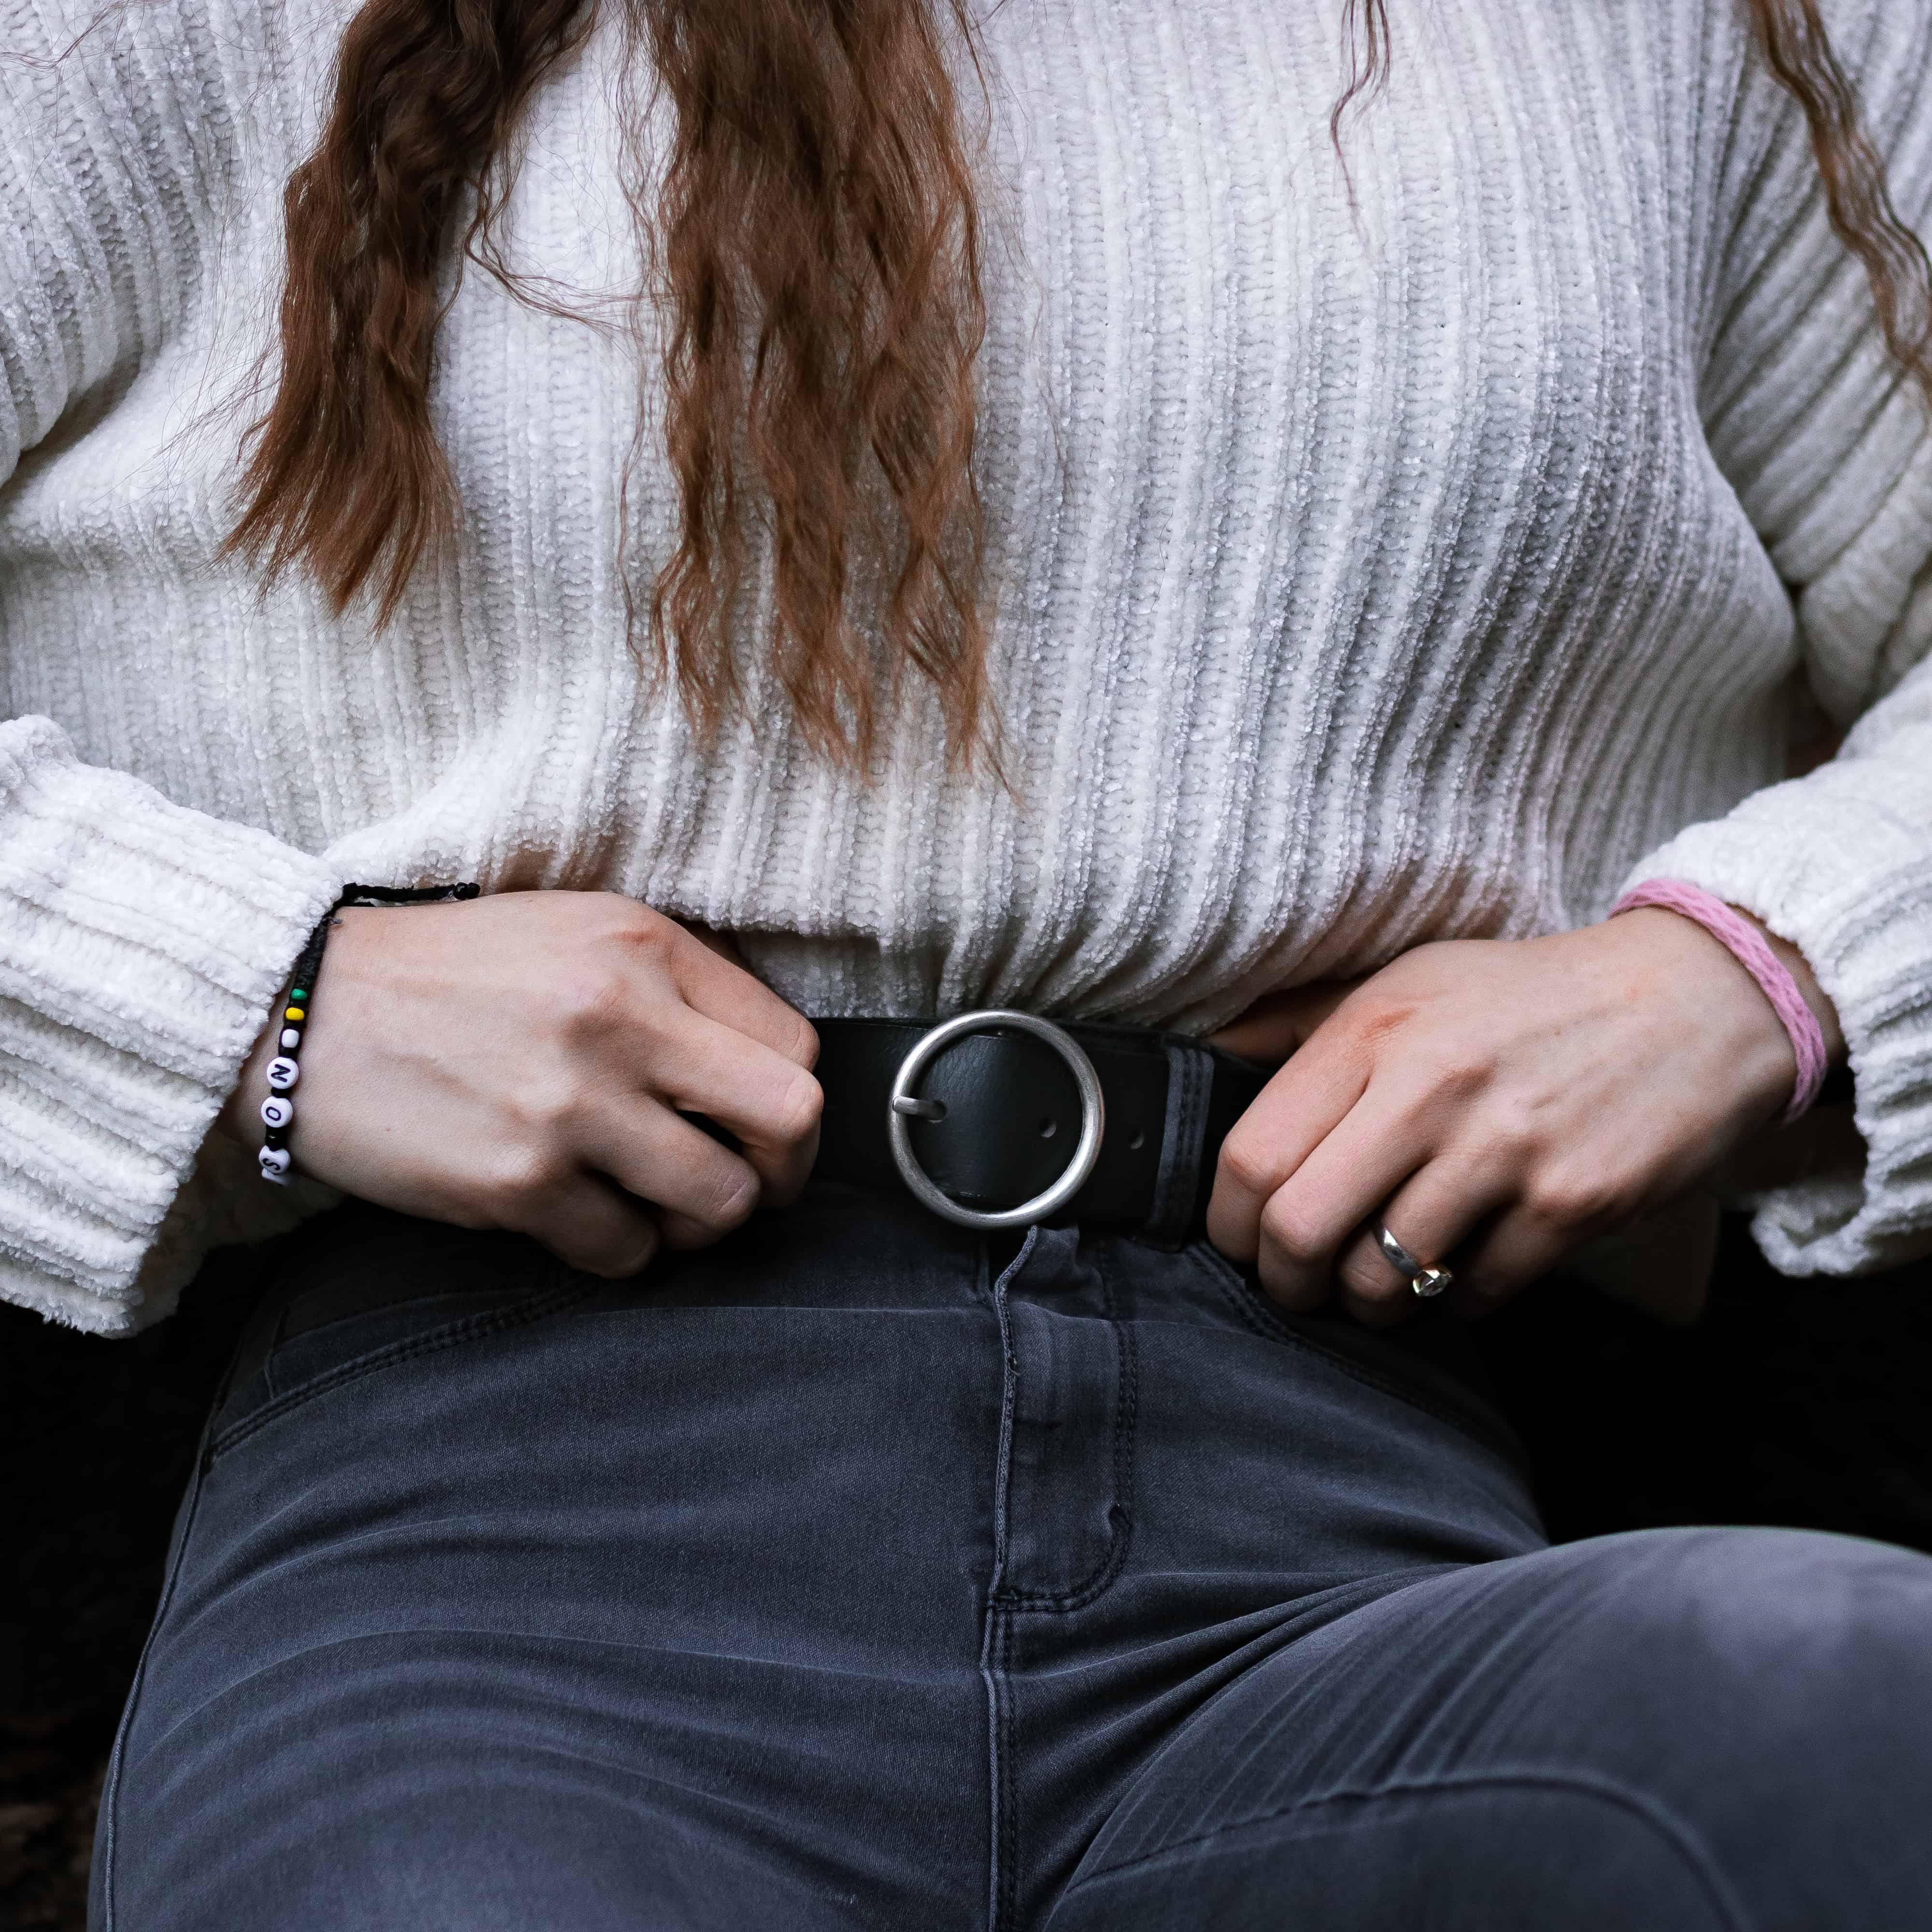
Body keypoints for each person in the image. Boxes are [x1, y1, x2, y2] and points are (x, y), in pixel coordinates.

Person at [6, 0, 1932, 1922]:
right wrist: (258, 1002)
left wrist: (1768, 969)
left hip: (1371, 1516)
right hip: (493, 1549)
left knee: (1866, 1713)